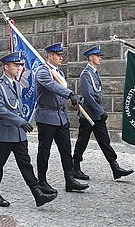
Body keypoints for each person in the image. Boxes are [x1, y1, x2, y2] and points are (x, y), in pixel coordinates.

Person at [0, 51, 57, 207]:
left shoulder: (17, 84)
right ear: (6, 67)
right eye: (15, 65)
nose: (19, 68)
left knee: (25, 163)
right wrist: (20, 122)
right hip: (4, 132)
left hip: (18, 134)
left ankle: (37, 194)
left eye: (19, 65)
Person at [73, 45, 134, 181]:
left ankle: (115, 167)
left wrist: (100, 112)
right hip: (88, 114)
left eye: (100, 56)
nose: (100, 58)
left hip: (96, 114)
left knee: (104, 141)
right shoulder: (86, 75)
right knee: (82, 141)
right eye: (97, 56)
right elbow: (88, 96)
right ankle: (75, 167)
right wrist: (101, 111)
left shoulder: (94, 73)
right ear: (90, 58)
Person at [34, 42, 89, 193]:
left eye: (61, 55)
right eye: (58, 55)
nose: (61, 57)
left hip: (61, 117)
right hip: (47, 117)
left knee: (66, 150)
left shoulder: (60, 73)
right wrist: (70, 94)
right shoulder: (42, 71)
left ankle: (69, 180)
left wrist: (73, 100)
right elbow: (52, 86)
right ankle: (42, 181)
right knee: (44, 151)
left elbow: (60, 92)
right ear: (50, 56)